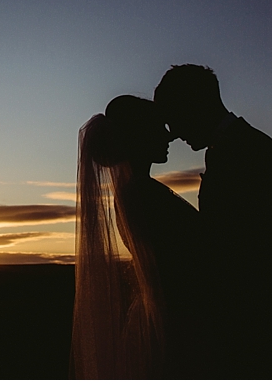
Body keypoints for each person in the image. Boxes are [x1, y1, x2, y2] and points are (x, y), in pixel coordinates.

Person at [155, 64, 272, 378]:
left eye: (174, 118)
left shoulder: (244, 153)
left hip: (254, 328)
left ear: (193, 104)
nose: (174, 133)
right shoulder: (241, 146)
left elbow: (238, 255)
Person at [71, 95, 209, 379]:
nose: (169, 136)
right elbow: (190, 259)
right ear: (139, 135)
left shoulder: (134, 192)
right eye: (160, 127)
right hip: (176, 323)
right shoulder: (142, 194)